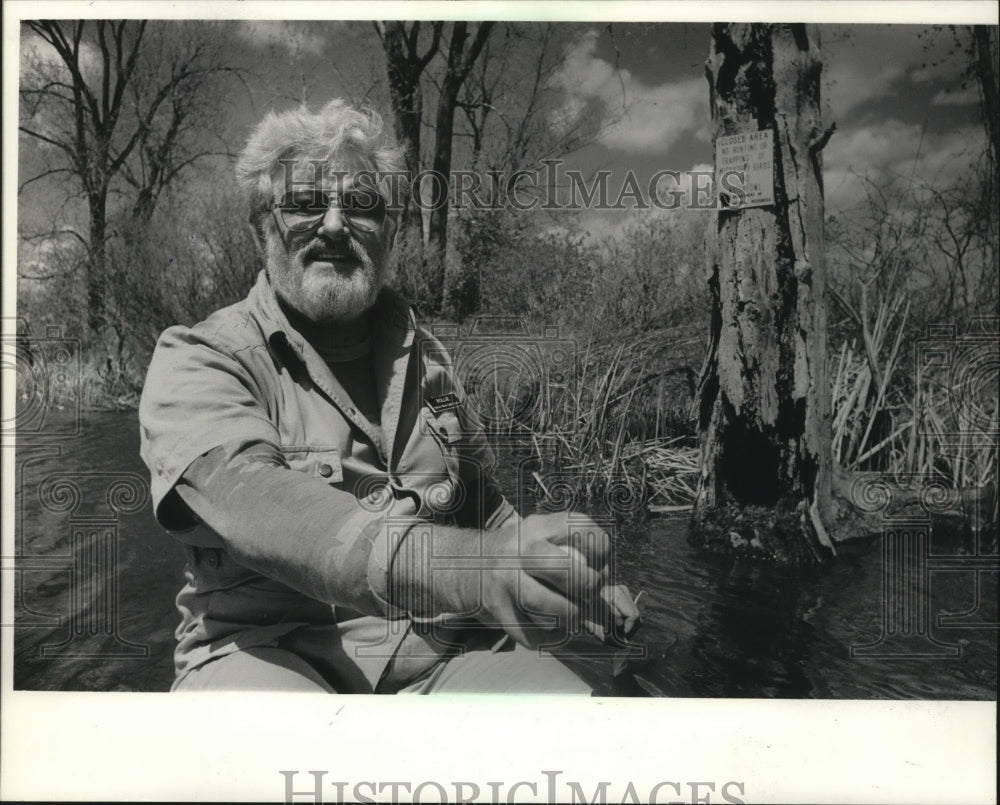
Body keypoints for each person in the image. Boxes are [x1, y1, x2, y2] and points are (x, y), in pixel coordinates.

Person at [138, 99, 638, 693]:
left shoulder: (431, 363)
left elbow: (485, 512)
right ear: (259, 229)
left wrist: (559, 569)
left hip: (446, 653)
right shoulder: (200, 357)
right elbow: (258, 503)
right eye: (302, 203)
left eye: (361, 205)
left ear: (390, 232)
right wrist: (469, 570)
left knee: (586, 729)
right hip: (269, 653)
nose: (332, 224)